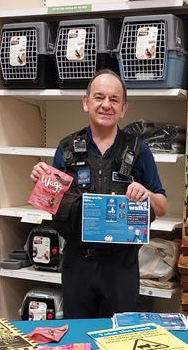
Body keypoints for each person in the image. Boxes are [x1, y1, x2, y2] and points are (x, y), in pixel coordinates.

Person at [31, 69, 167, 319]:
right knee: (79, 335)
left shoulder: (139, 150)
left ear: (123, 108)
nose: (106, 105)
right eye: (99, 97)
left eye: (114, 99)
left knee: (120, 334)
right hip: (77, 265)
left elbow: (162, 206)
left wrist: (145, 192)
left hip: (121, 267)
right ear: (86, 102)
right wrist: (42, 181)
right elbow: (51, 204)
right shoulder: (67, 148)